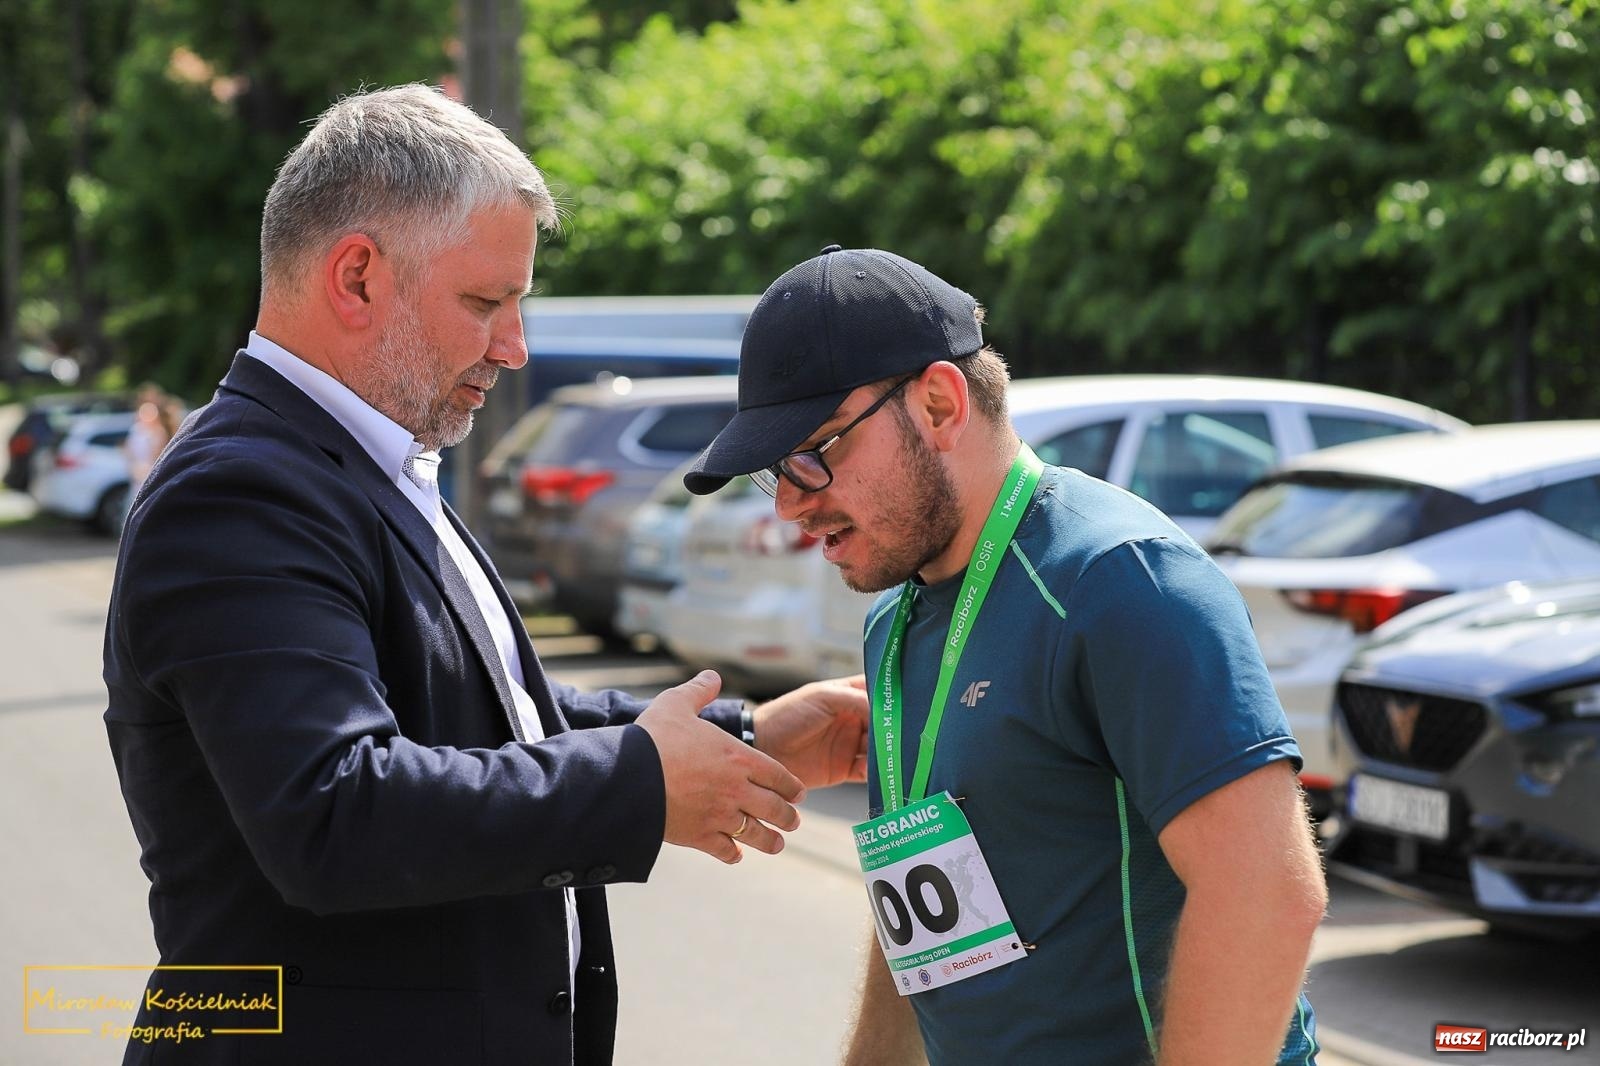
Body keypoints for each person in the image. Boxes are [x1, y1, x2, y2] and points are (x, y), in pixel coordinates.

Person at [102, 87, 867, 1066]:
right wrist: (639, 782)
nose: (514, 347)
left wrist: (745, 740)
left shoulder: (364, 463)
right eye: (484, 303)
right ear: (356, 276)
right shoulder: (242, 492)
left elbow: (482, 707)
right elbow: (333, 810)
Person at [684, 246, 1328, 1065]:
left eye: (814, 452)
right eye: (775, 470)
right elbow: (928, 917)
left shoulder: (1120, 580)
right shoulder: (895, 619)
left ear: (940, 404)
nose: (789, 504)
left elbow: (1265, 896)